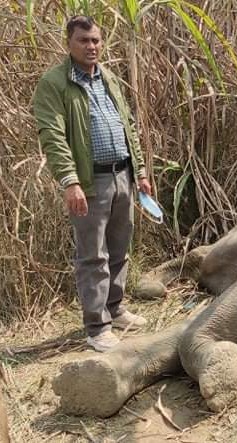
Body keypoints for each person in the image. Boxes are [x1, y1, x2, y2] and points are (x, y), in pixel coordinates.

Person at [33, 16, 151, 352]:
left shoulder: (109, 79)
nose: (92, 46)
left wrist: (140, 172)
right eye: (84, 40)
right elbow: (53, 137)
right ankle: (97, 327)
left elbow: (128, 126)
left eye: (96, 40)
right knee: (92, 256)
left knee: (118, 248)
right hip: (90, 181)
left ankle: (115, 309)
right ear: (68, 43)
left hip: (122, 175)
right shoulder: (54, 84)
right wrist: (70, 182)